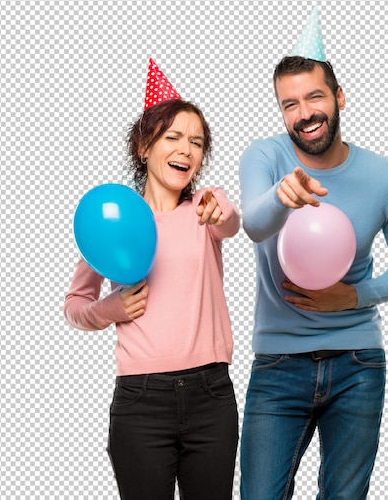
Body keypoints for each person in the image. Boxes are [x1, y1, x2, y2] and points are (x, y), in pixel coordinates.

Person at [238, 52, 388, 498]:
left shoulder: (386, 178)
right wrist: (282, 196)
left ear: (339, 97)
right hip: (278, 364)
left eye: (315, 97)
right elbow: (253, 225)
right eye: (290, 104)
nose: (304, 114)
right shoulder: (264, 156)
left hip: (357, 363)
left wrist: (356, 296)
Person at [64, 59, 240, 500]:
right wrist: (110, 309)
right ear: (144, 146)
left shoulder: (204, 208)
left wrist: (222, 205)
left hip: (211, 395)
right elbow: (74, 304)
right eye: (174, 137)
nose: (186, 149)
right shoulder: (115, 221)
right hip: (140, 403)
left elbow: (232, 223)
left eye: (197, 142)